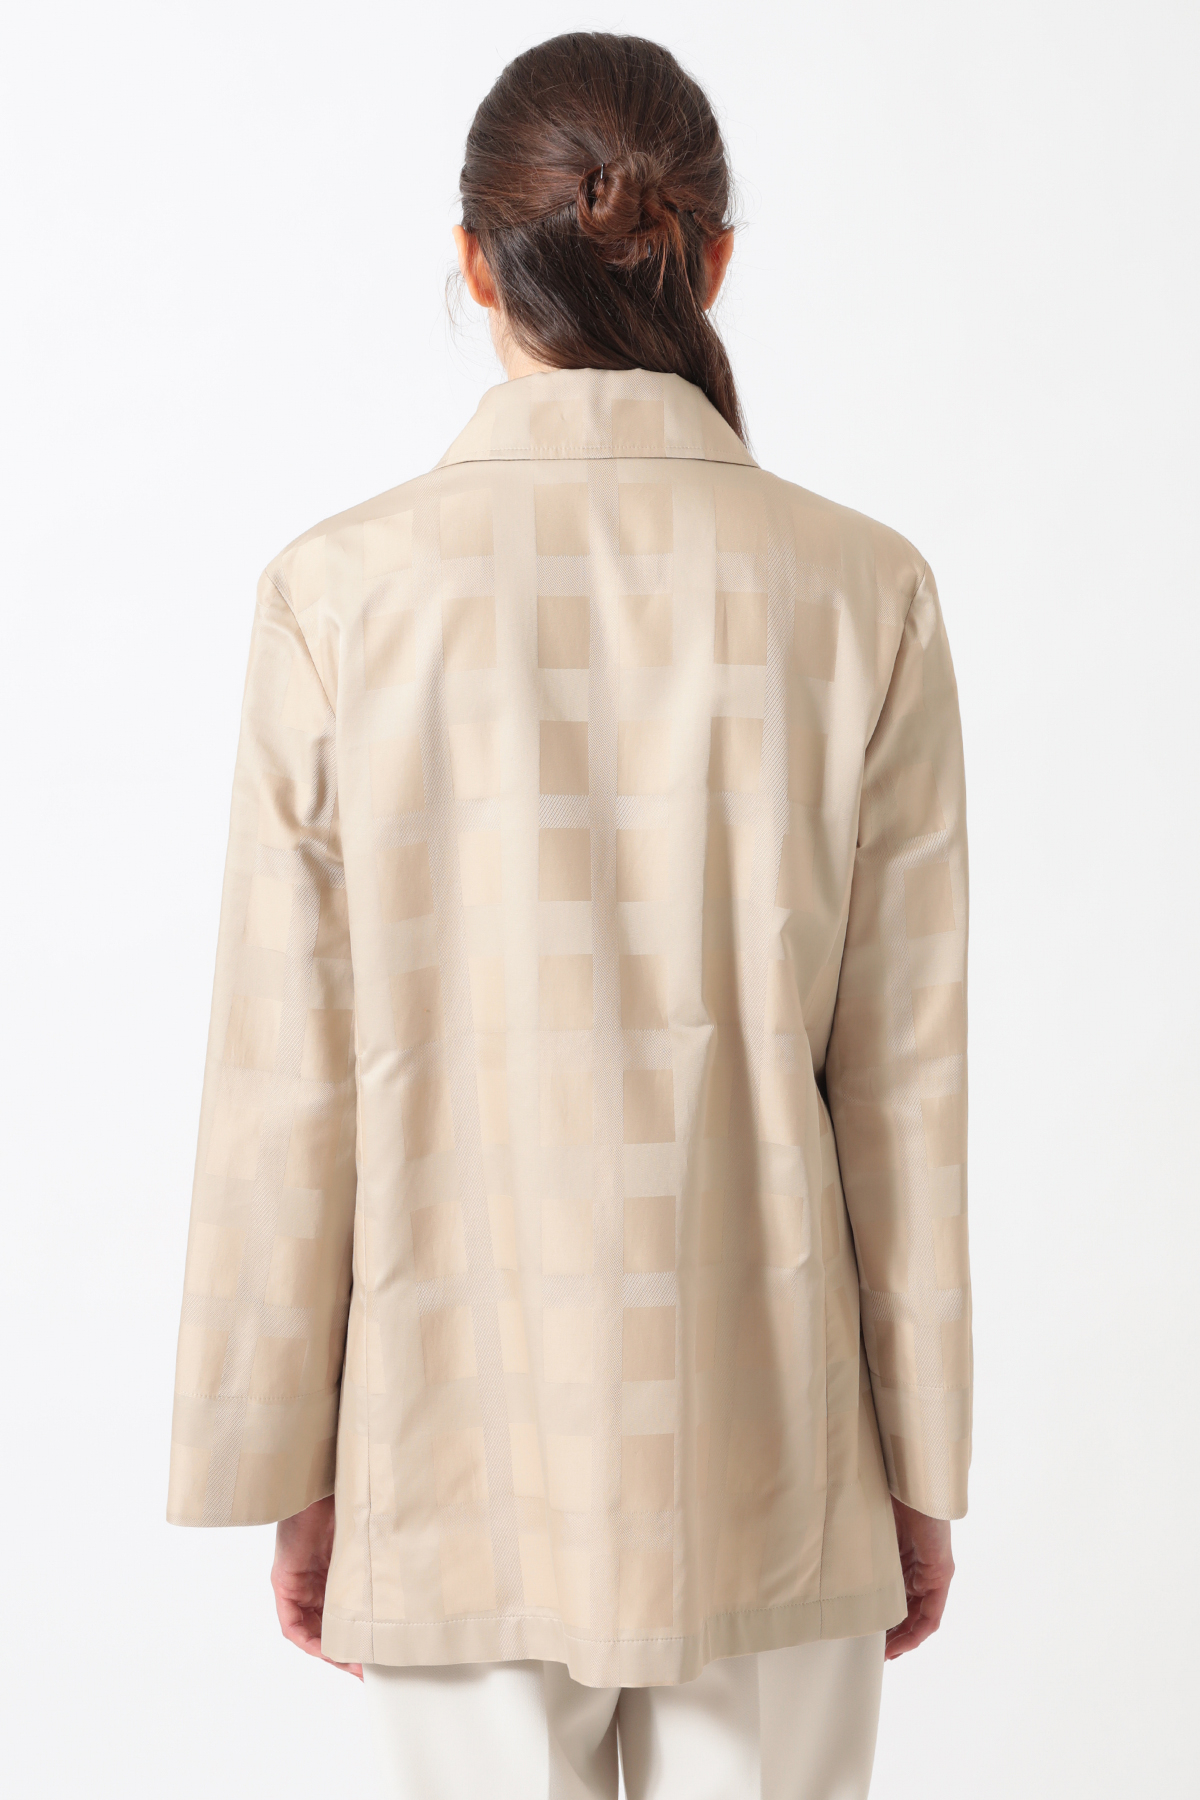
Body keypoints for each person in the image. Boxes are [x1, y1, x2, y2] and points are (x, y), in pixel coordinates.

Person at [167, 31, 970, 1800]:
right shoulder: (864, 590)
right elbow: (902, 1084)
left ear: (476, 262)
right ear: (713, 258)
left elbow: (286, 1076)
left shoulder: (340, 595)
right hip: (777, 1439)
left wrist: (294, 1463)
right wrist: (916, 1463)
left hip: (447, 1424)